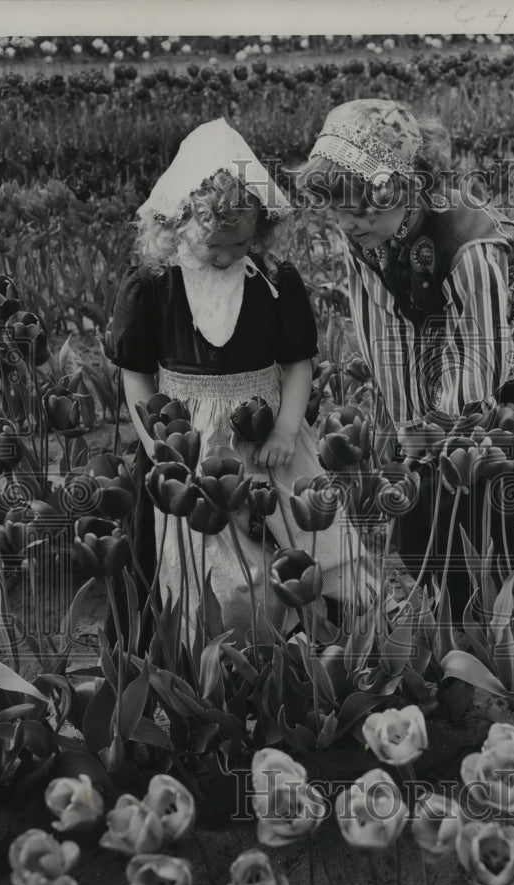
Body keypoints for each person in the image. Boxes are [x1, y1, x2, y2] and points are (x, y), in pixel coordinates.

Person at [295, 99, 514, 617]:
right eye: (337, 208)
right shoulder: (366, 237)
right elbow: (383, 330)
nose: (349, 223)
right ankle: (451, 592)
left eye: (362, 208)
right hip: (434, 322)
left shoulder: (469, 245)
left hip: (511, 338)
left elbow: (479, 357)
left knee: (498, 463)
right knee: (426, 468)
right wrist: (410, 427)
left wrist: (445, 431)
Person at [106, 119, 360, 646]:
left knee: (324, 549)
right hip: (184, 442)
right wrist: (157, 444)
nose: (224, 256)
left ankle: (320, 648)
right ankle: (216, 653)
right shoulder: (155, 283)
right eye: (210, 246)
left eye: (239, 243)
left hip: (266, 437)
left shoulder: (272, 280)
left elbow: (297, 363)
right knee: (205, 568)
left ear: (261, 229)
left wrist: (288, 427)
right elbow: (135, 373)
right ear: (177, 223)